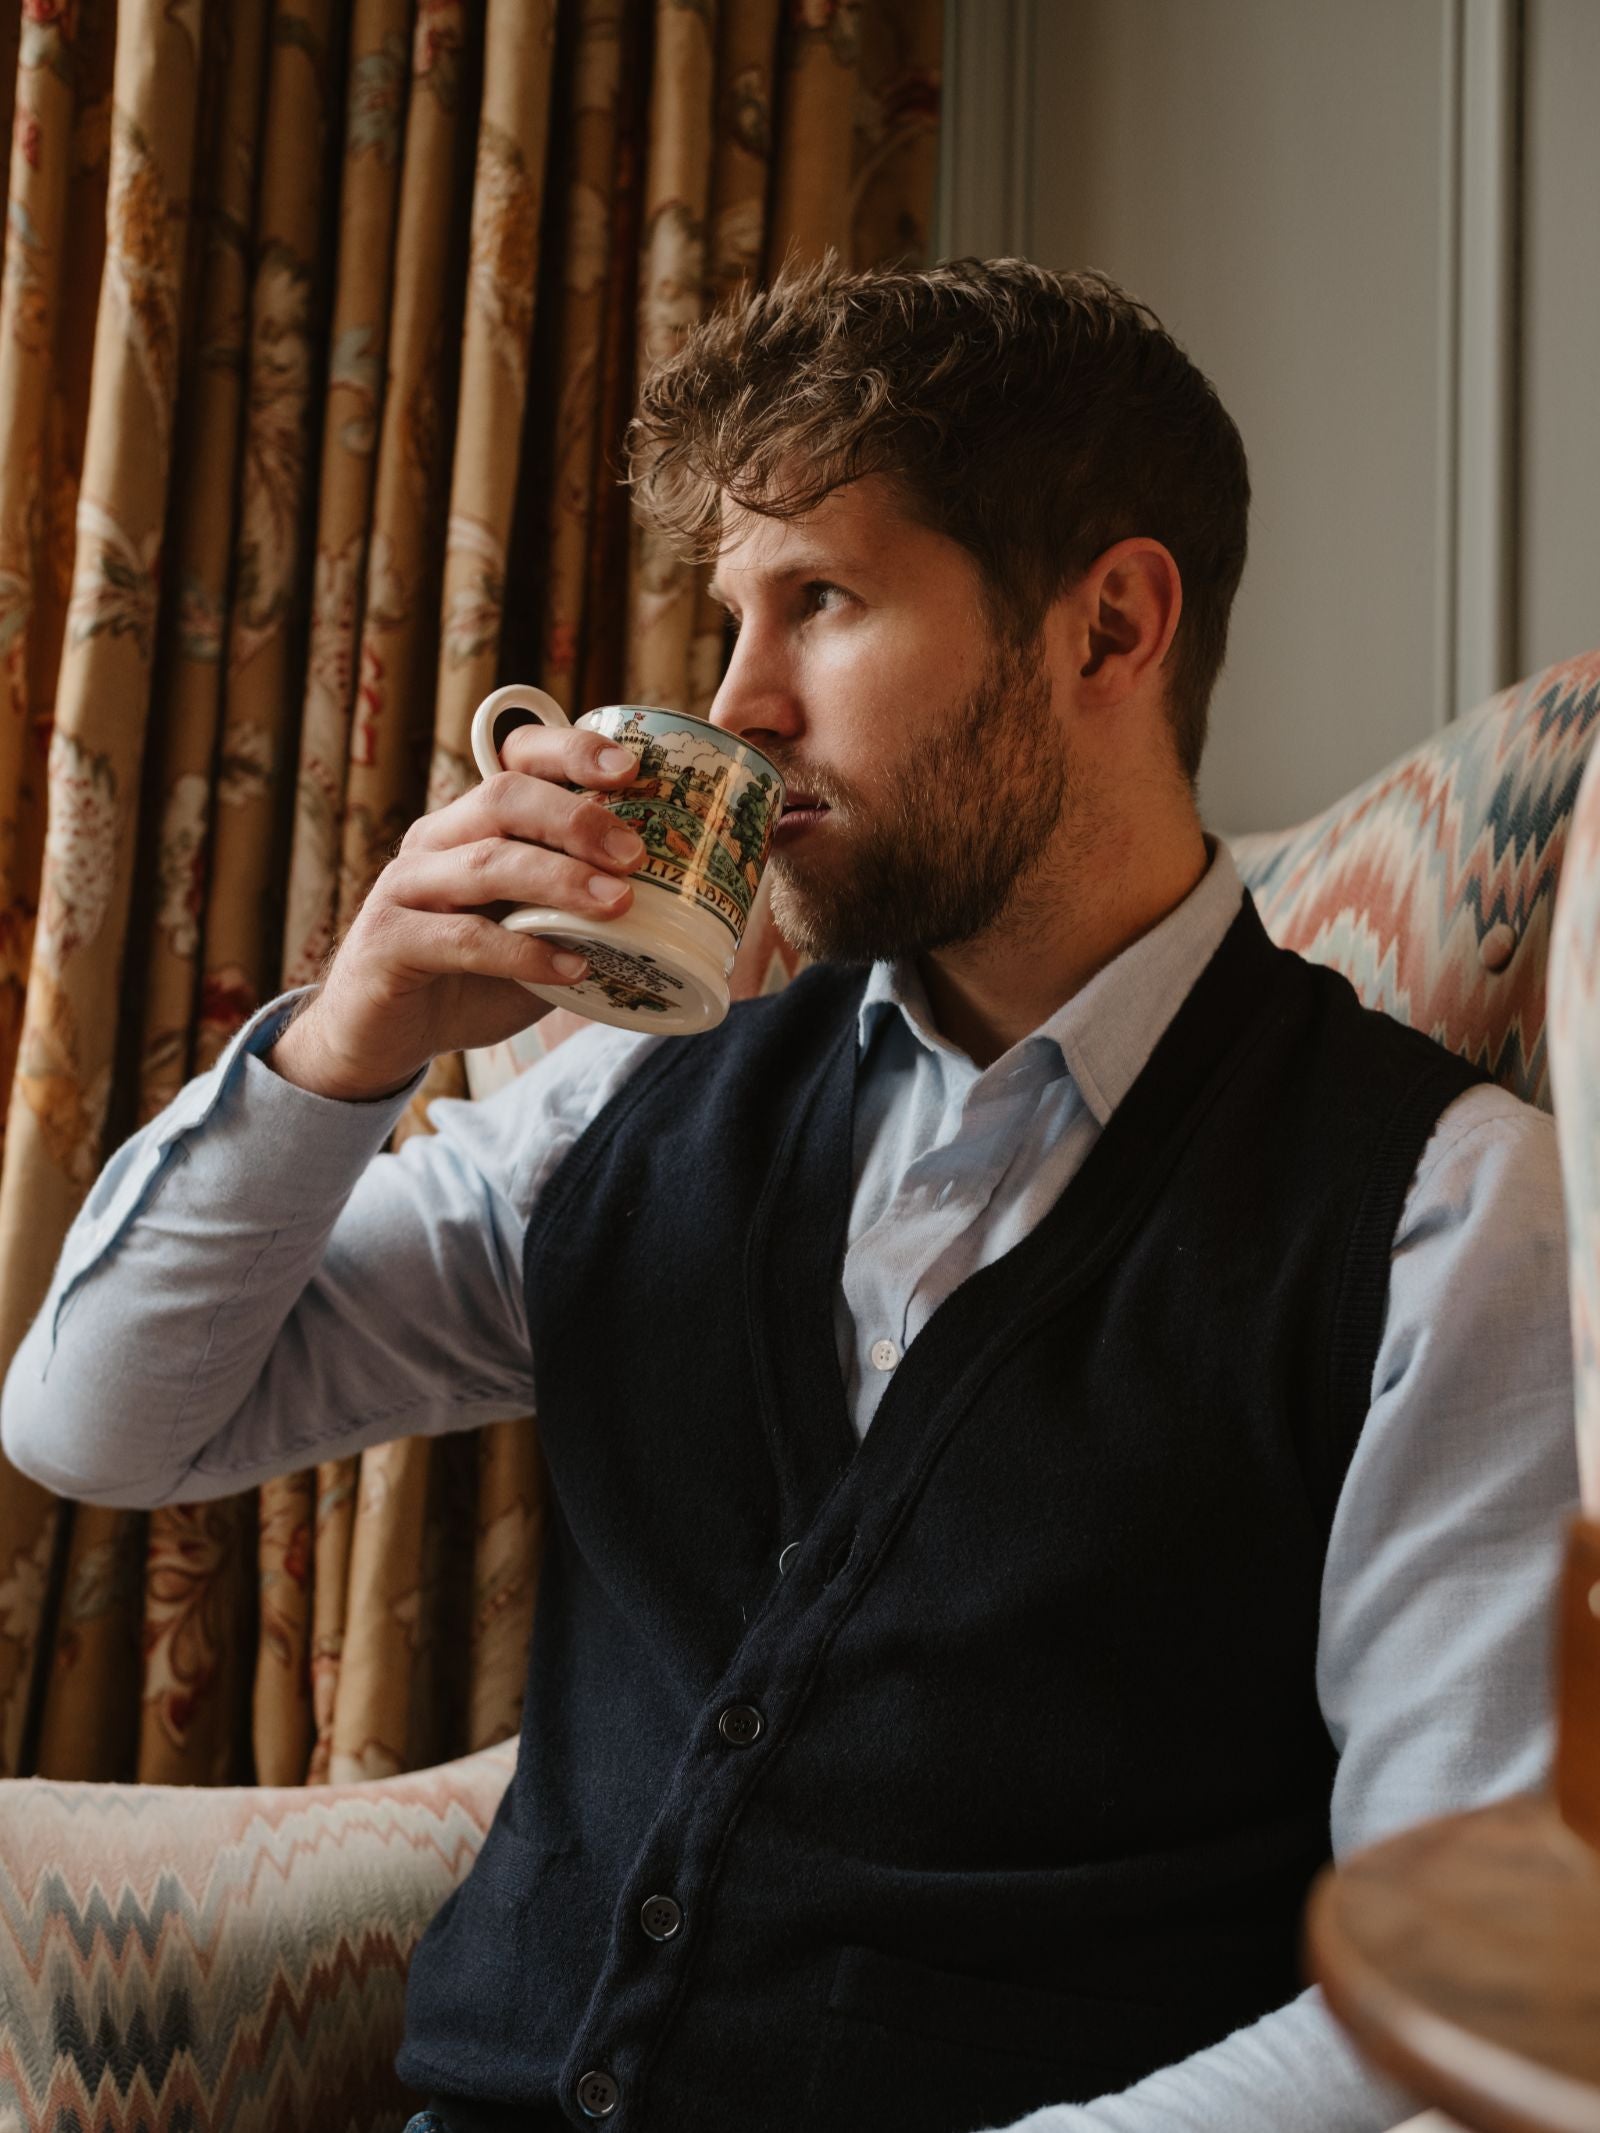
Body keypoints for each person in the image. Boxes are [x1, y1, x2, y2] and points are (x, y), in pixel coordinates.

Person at [2, 259, 1576, 2133]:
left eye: (818, 601)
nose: (735, 706)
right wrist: (351, 1042)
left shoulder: (1438, 1218)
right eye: (727, 617)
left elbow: (1451, 1977)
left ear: (1110, 627)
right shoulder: (635, 1098)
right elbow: (99, 1420)